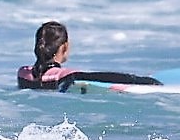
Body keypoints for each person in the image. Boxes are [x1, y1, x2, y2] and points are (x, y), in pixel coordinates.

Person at [17, 21, 162, 91]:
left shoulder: (23, 74)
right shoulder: (65, 75)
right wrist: (144, 81)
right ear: (65, 46)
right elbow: (105, 77)